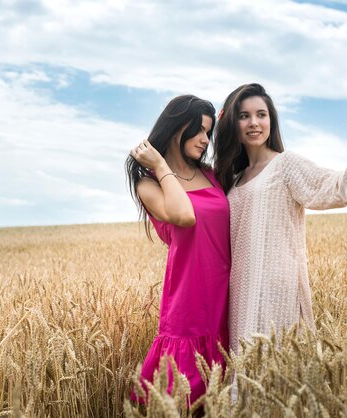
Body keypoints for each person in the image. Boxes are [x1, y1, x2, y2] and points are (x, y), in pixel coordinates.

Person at [213, 83, 347, 356]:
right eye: (244, 116)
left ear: (271, 120)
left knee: (274, 368)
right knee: (245, 371)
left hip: (275, 287)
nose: (254, 123)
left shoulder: (285, 164)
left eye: (261, 114)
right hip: (240, 291)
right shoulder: (233, 178)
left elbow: (336, 188)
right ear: (232, 122)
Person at [125, 95, 230, 405]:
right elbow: (185, 215)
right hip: (190, 302)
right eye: (197, 130)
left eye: (208, 132)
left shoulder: (211, 173)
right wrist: (160, 164)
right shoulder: (150, 184)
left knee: (222, 394)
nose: (204, 139)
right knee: (182, 397)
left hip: (225, 296)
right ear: (175, 128)